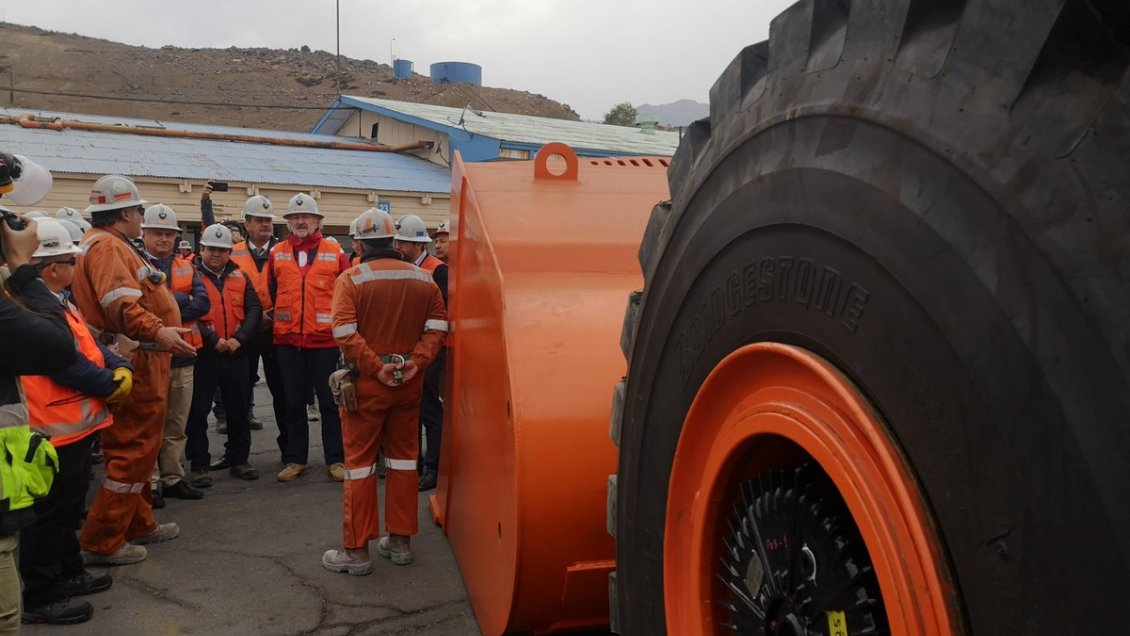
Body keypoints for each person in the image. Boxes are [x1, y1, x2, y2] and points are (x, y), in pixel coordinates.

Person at [71, 174, 195, 566]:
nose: (142, 218)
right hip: (138, 358)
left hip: (145, 355)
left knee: (142, 447)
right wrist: (160, 330)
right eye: (140, 211)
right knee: (132, 448)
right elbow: (121, 307)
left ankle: (138, 522)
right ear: (125, 212)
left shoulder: (107, 244)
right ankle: (102, 539)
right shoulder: (108, 247)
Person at [18, 219, 133, 625]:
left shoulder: (58, 301)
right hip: (51, 429)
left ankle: (68, 573)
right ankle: (41, 595)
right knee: (47, 516)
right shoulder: (32, 309)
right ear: (52, 267)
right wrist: (108, 382)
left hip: (74, 426)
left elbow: (90, 347)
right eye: (70, 260)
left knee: (68, 510)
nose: (75, 268)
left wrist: (117, 365)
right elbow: (65, 363)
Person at [322, 208, 447, 574]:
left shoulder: (352, 279)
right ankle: (400, 541)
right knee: (405, 462)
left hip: (366, 387)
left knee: (360, 467)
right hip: (408, 386)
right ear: (394, 242)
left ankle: (357, 552)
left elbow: (344, 333)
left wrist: (377, 367)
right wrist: (415, 363)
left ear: (358, 243)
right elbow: (438, 328)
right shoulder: (425, 280)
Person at [0, 208, 78, 633]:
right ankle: (43, 594)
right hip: (48, 427)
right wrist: (20, 271)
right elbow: (57, 345)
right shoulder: (16, 296)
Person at [267, 193, 351, 483]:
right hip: (288, 341)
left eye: (306, 217)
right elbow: (273, 291)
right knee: (292, 403)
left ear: (317, 221)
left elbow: (347, 293)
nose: (300, 221)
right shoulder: (276, 252)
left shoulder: (334, 251)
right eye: (294, 218)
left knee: (330, 403)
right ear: (288, 223)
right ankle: (295, 459)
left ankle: (336, 459)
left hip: (324, 342)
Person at [141, 204, 209, 507]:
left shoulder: (186, 265)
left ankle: (172, 477)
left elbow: (203, 303)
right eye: (158, 233)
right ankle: (150, 482)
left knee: (177, 424)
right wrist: (179, 301)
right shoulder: (135, 264)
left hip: (183, 357)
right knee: (150, 423)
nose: (164, 239)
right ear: (144, 233)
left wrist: (167, 305)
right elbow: (138, 308)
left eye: (169, 234)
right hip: (150, 356)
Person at [184, 224, 262, 482]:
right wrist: (212, 340)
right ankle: (199, 464)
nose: (216, 254)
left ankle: (239, 459)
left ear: (230, 252)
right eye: (211, 249)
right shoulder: (190, 276)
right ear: (201, 248)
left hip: (236, 354)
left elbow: (254, 310)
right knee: (198, 412)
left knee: (238, 410)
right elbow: (186, 315)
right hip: (204, 354)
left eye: (222, 250)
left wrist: (239, 339)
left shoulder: (241, 276)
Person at [393, 214, 448, 491]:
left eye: (402, 243)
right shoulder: (402, 267)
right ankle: (412, 463)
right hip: (407, 350)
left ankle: (433, 469)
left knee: (429, 411)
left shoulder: (437, 270)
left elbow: (443, 315)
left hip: (431, 351)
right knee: (409, 411)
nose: (397, 247)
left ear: (418, 245)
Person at [227, 194, 282, 437]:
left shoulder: (283, 251)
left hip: (276, 330)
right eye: (259, 220)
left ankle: (290, 452)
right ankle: (238, 454)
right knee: (238, 393)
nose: (266, 225)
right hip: (244, 331)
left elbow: (293, 289)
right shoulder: (232, 252)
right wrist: (252, 319)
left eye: (268, 220)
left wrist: (272, 315)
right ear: (246, 223)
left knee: (283, 394)